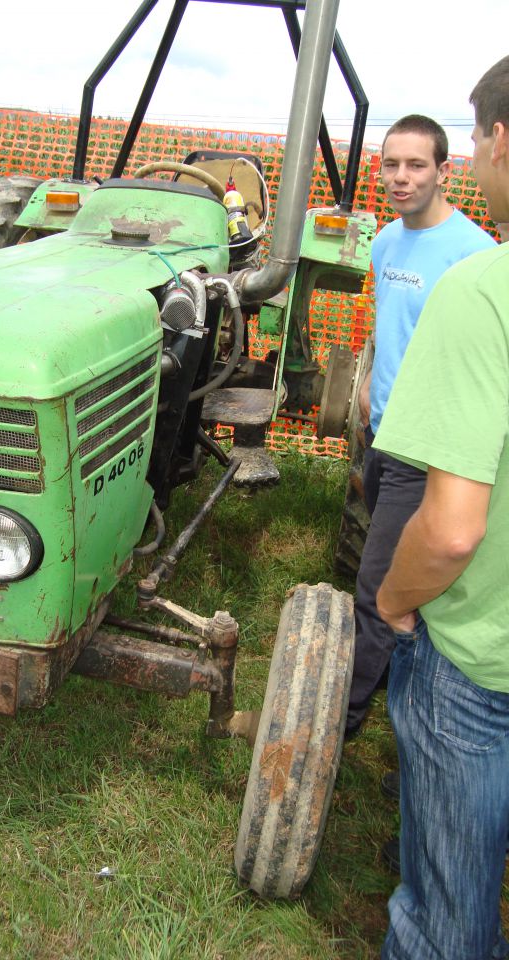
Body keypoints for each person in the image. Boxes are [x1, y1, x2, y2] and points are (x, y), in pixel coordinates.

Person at [374, 55, 509, 960]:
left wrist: (395, 600)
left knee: (445, 913)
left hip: (478, 653)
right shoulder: (387, 246)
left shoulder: (480, 277)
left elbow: (454, 528)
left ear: (497, 144)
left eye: (472, 137)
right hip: (399, 439)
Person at [345, 115, 496, 738]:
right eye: (391, 165)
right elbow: (389, 327)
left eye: (415, 166)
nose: (400, 178)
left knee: (379, 589)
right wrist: (365, 382)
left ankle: (335, 722)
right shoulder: (384, 243)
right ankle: (409, 703)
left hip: (429, 448)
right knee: (410, 589)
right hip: (382, 434)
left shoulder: (475, 255)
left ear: (444, 171)